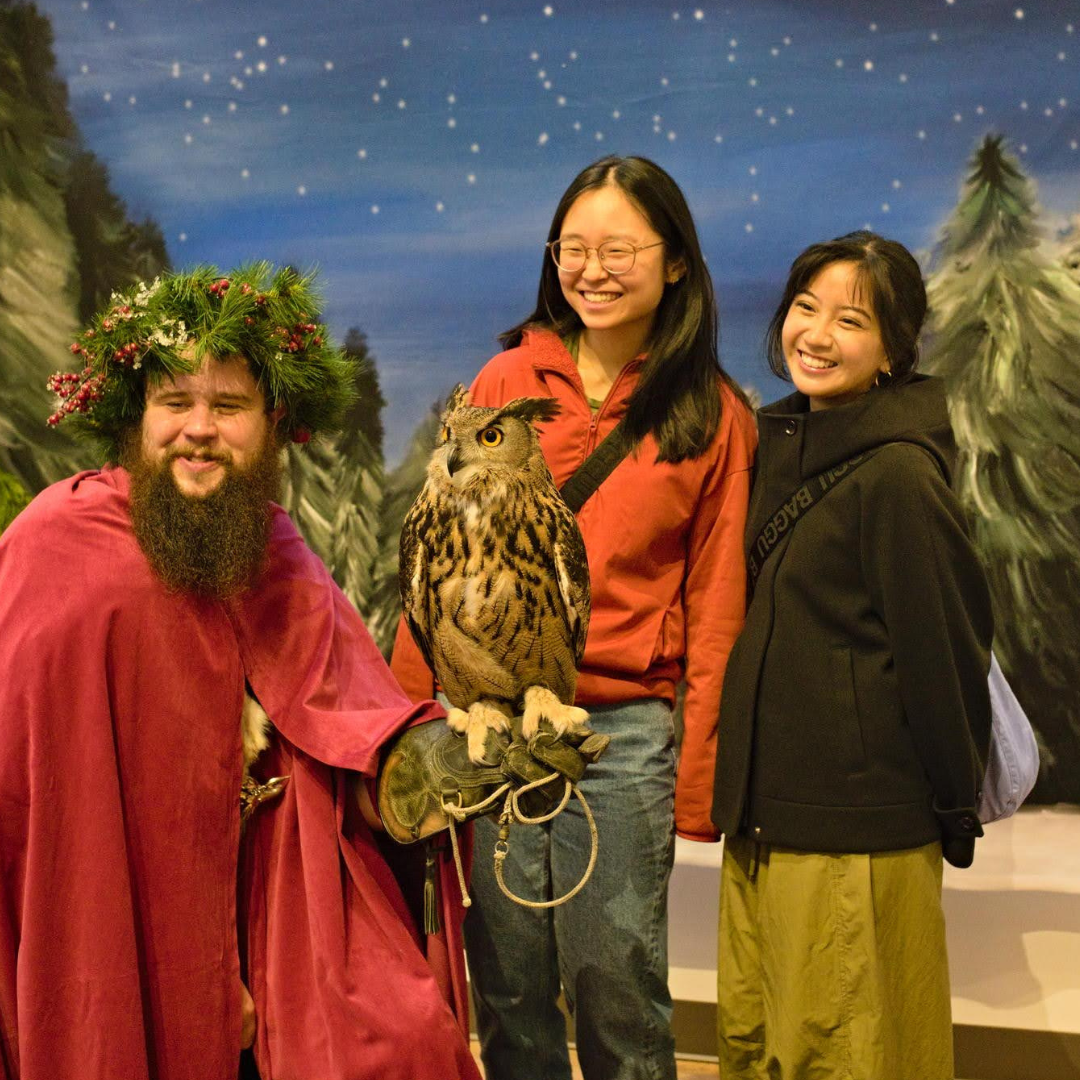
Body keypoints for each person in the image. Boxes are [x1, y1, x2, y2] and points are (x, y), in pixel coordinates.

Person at [0, 264, 483, 1080]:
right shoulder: (56, 540)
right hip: (104, 906)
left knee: (401, 1040)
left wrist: (438, 765)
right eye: (175, 404)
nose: (199, 429)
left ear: (269, 425)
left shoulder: (280, 553)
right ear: (135, 418)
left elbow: (360, 727)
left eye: (227, 408)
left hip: (265, 908)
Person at [392, 155, 758, 1079]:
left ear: (675, 261)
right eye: (571, 247)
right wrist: (405, 732)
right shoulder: (507, 377)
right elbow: (431, 574)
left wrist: (697, 781)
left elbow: (717, 608)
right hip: (491, 724)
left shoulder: (711, 411)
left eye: (618, 248)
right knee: (508, 985)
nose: (590, 269)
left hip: (623, 729)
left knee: (616, 981)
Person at [711, 231, 994, 1079]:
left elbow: (944, 655)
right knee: (760, 1049)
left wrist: (952, 807)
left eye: (851, 320)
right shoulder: (775, 452)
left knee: (849, 1055)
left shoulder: (900, 476)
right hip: (765, 821)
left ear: (895, 351)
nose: (816, 334)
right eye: (805, 308)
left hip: (855, 832)